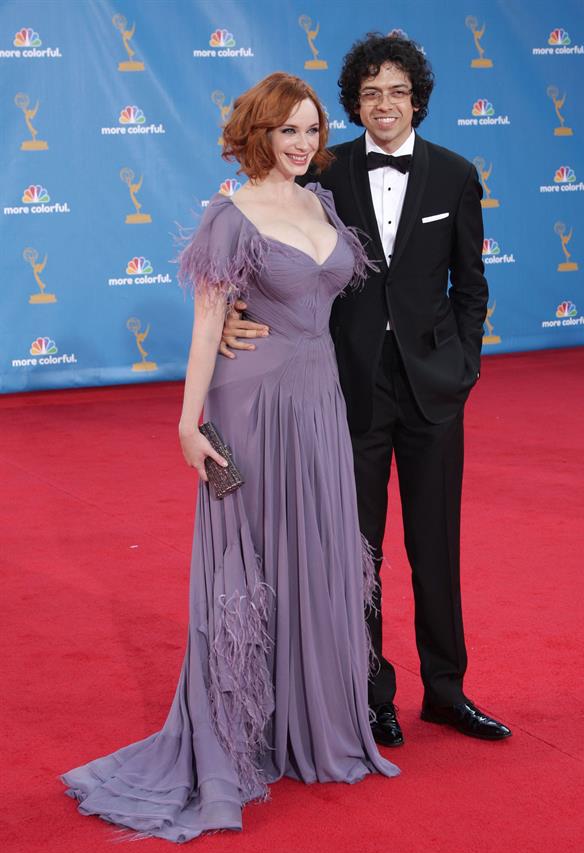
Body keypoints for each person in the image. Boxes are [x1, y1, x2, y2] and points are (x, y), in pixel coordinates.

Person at [60, 72, 398, 844]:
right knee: (250, 562)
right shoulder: (229, 215)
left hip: (319, 399)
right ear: (259, 133)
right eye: (289, 131)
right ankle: (236, 734)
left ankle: (309, 725)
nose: (306, 144)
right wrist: (188, 424)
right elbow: (209, 319)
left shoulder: (321, 202)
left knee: (313, 555)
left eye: (313, 130)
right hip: (251, 402)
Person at [221, 33, 512, 745]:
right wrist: (233, 311)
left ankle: (446, 689)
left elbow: (471, 288)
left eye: (398, 91)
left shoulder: (454, 174)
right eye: (371, 92)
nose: (384, 104)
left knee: (436, 545)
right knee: (360, 552)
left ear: (417, 99)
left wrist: (462, 370)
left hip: (433, 391)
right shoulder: (324, 170)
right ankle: (370, 691)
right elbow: (268, 238)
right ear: (353, 103)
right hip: (345, 390)